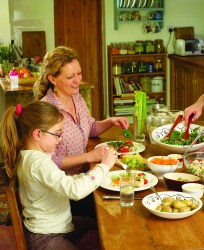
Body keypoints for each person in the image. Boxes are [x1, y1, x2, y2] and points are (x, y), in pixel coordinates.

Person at [0, 101, 118, 250]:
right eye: (57, 133)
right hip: (45, 236)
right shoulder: (39, 163)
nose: (60, 139)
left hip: (57, 226)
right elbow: (74, 191)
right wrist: (104, 166)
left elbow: (62, 182)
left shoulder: (30, 156)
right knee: (99, 230)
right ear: (37, 134)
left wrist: (89, 175)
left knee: (93, 224)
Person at [33, 46, 128, 217]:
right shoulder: (46, 110)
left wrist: (111, 122)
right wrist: (90, 156)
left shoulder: (77, 97)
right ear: (52, 79)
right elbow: (48, 162)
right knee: (116, 210)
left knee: (126, 193)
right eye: (70, 77)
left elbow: (90, 128)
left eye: (79, 74)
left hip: (86, 177)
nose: (77, 80)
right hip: (65, 192)